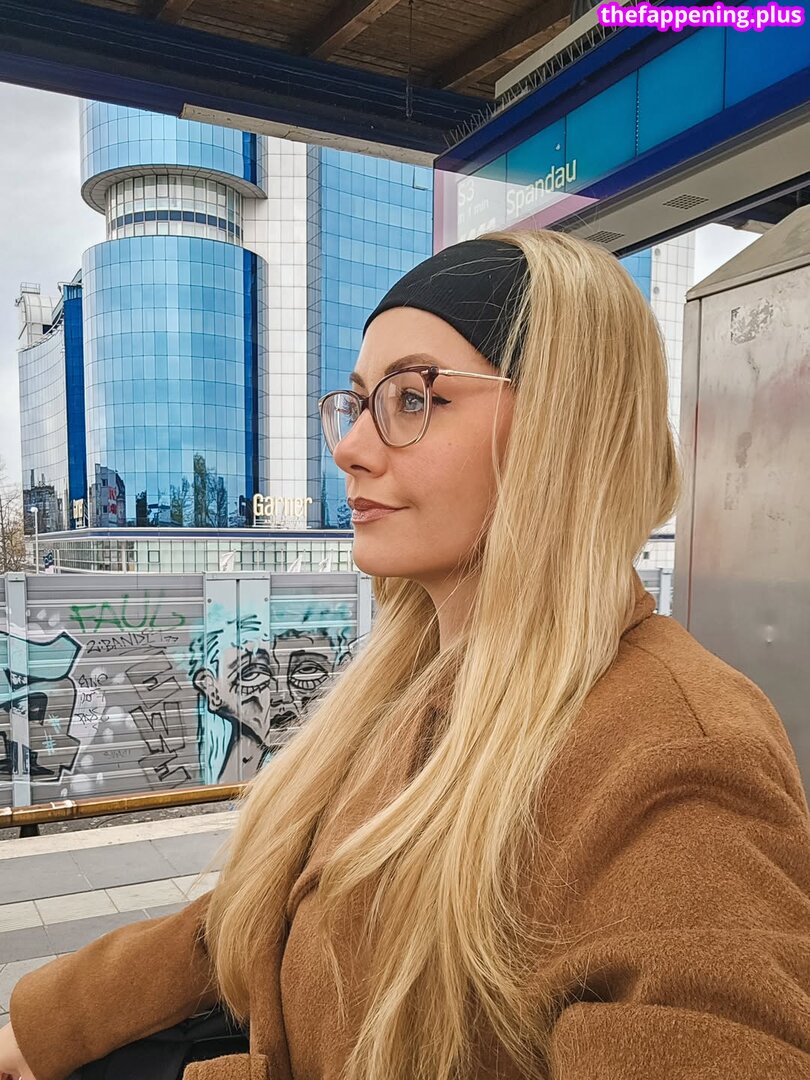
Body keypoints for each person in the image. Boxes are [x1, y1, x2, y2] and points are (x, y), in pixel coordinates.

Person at [2, 231, 810, 1080]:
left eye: (415, 397)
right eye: (357, 403)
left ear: (564, 427)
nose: (350, 447)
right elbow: (258, 915)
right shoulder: (410, 685)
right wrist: (46, 1030)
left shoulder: (677, 756)